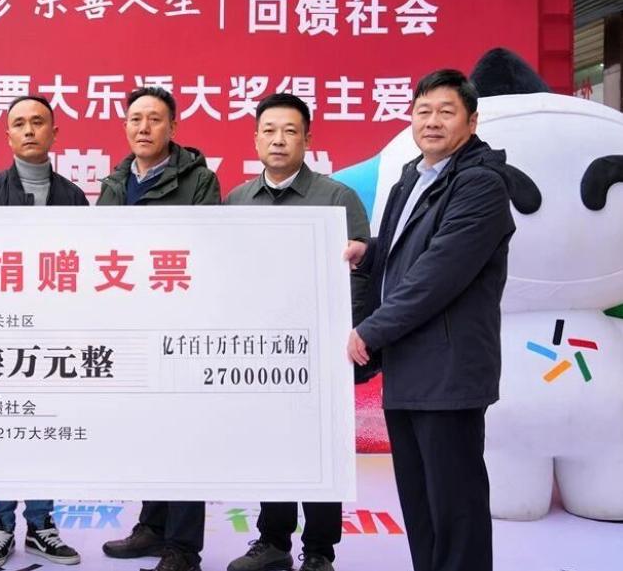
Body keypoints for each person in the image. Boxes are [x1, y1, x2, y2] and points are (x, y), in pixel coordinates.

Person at [347, 70, 514, 571]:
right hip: (408, 369)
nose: (432, 121)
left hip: (449, 372)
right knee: (420, 506)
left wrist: (370, 331)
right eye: (423, 111)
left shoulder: (481, 185)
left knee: (455, 508)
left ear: (472, 121)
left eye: (446, 111)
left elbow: (437, 273)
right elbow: (408, 249)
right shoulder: (413, 177)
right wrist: (370, 253)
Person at [223, 93, 369, 571]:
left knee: (321, 449)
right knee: (273, 445)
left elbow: (362, 277)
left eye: (290, 131)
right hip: (259, 351)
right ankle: (273, 542)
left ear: (307, 139)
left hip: (321, 351)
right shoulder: (237, 201)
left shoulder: (337, 197)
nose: (279, 140)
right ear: (255, 139)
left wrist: (349, 338)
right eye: (269, 130)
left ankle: (320, 551)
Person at [97, 86, 219, 571]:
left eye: (154, 119)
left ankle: (183, 547)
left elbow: (205, 247)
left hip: (179, 323)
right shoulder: (114, 182)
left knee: (185, 435)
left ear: (173, 127)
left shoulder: (200, 181)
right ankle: (152, 526)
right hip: (130, 325)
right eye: (135, 119)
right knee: (149, 430)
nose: (143, 127)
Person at [0, 95, 84, 568]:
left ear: (55, 133)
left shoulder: (73, 197)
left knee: (44, 430)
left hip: (54, 335)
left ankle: (40, 525)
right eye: (20, 123)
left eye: (38, 122)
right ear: (8, 135)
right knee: (3, 427)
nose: (30, 130)